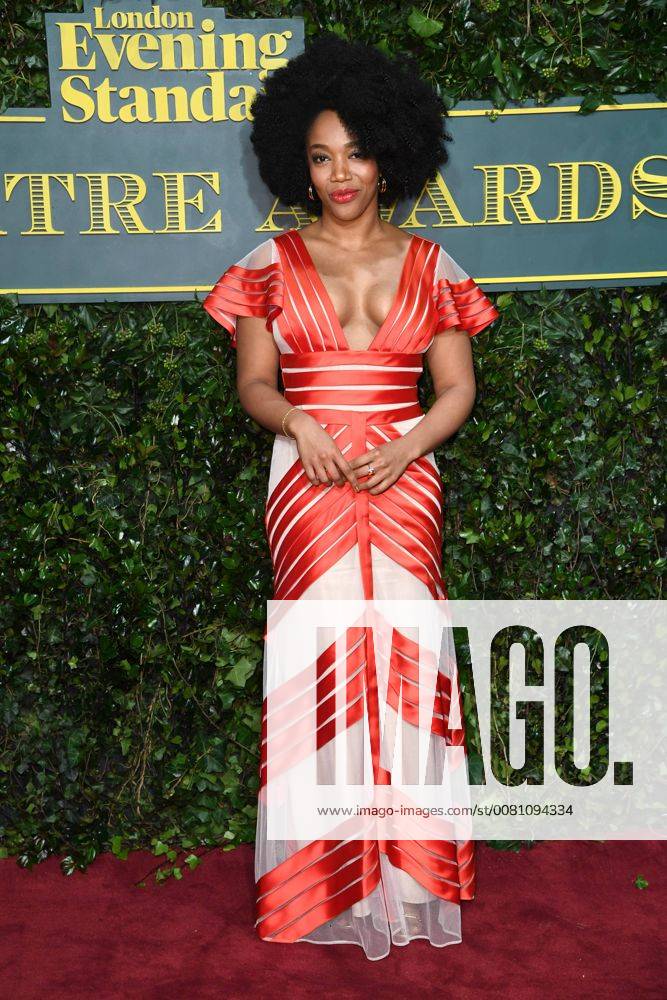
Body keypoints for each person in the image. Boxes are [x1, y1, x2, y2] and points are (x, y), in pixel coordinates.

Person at [203, 34, 499, 960]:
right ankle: (319, 884)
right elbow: (254, 385)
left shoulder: (432, 264)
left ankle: (404, 880)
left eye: (356, 153)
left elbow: (455, 388)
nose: (340, 174)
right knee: (319, 665)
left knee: (407, 663)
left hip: (406, 486)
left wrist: (409, 443)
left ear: (390, 154)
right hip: (310, 485)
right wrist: (300, 424)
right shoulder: (268, 263)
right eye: (321, 156)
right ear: (298, 158)